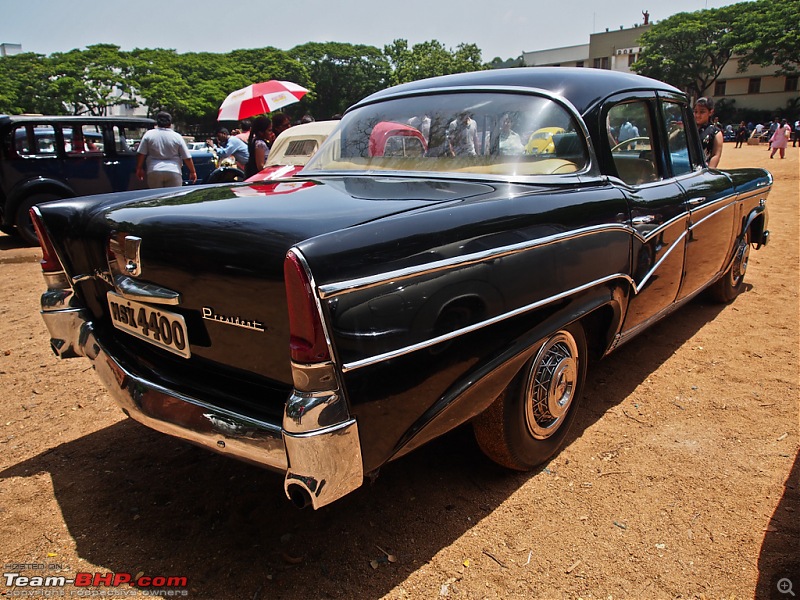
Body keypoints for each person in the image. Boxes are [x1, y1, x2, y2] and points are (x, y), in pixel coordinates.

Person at [136, 111, 196, 188]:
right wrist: (192, 171)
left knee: (156, 197)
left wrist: (139, 168)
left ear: (157, 123)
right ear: (170, 123)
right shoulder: (177, 136)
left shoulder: (149, 134)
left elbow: (141, 154)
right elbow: (186, 157)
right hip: (174, 170)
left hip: (154, 170)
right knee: (174, 197)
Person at [693, 97, 723, 168]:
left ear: (710, 112)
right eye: (695, 111)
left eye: (702, 112)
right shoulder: (688, 128)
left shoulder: (715, 132)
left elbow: (716, 155)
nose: (697, 115)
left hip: (701, 171)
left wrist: (708, 173)